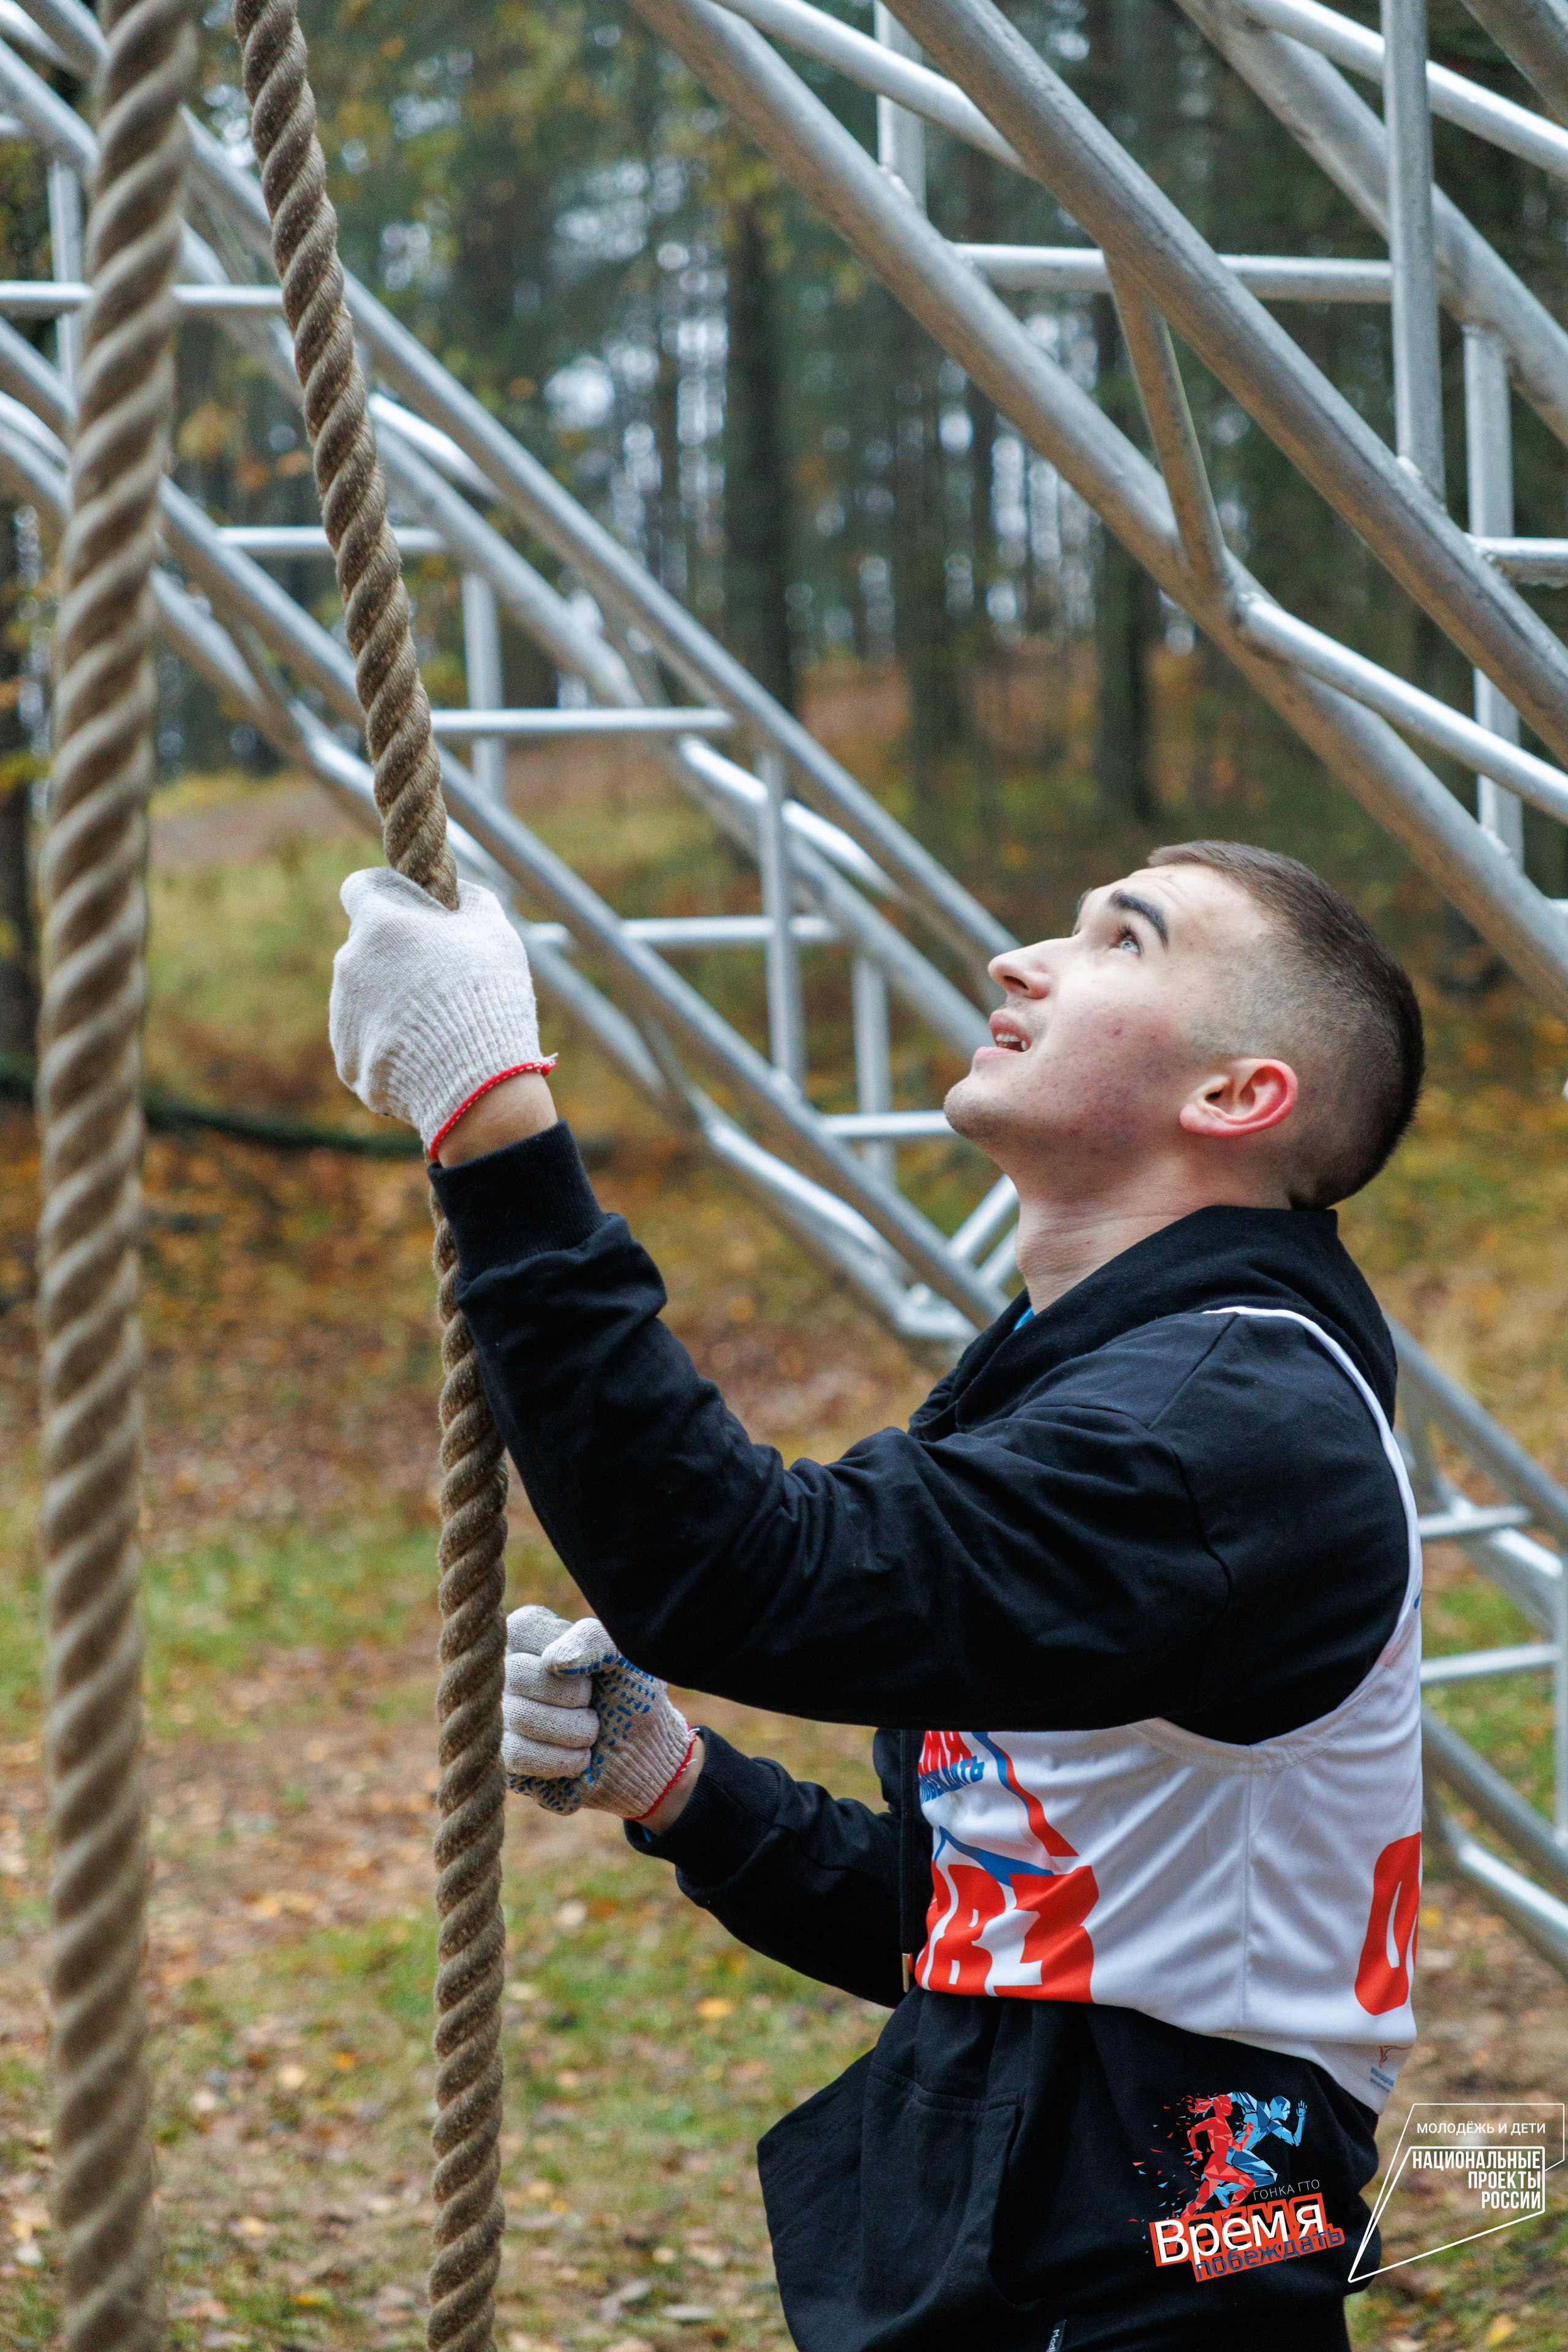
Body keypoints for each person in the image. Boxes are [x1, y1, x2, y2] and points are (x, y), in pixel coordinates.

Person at [329, 839, 1427, 2352]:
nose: (1018, 960)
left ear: (1236, 1096)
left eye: (1121, 941)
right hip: (1052, 2220)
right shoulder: (1100, 1378)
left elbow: (735, 1573)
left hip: (1169, 2245)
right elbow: (971, 1922)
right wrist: (679, 1787)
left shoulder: (1217, 1428)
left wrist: (492, 1115)